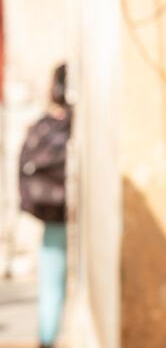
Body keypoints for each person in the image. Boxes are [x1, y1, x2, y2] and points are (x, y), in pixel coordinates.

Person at [18, 63, 70, 348]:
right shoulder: (72, 126)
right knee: (54, 280)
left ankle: (47, 340)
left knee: (50, 281)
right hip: (63, 215)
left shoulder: (43, 125)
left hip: (52, 216)